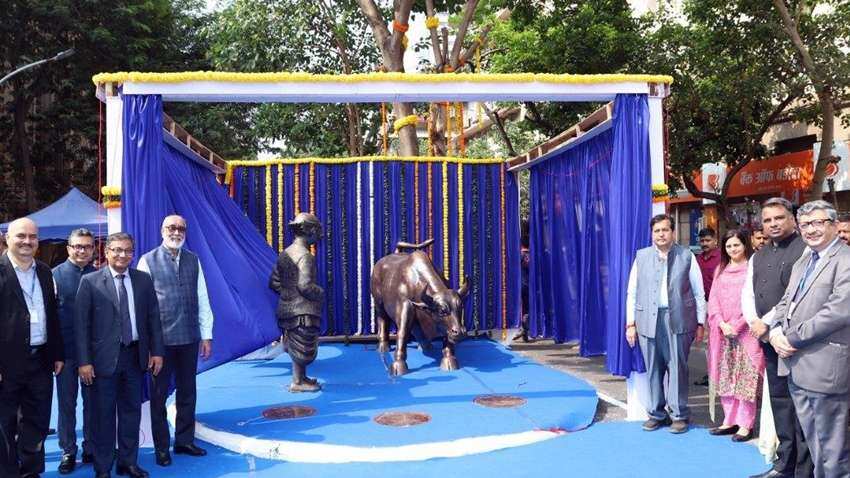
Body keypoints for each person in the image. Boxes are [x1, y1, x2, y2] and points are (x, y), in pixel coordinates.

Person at [769, 200, 850, 478]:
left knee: (833, 452)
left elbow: (838, 311)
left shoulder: (846, 260)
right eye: (805, 225)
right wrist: (775, 330)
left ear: (835, 225)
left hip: (826, 368)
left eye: (818, 223)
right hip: (797, 368)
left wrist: (791, 338)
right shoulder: (805, 260)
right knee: (817, 448)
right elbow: (785, 302)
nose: (811, 230)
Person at [75, 232, 164, 478]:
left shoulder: (143, 280)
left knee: (131, 413)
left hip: (135, 358)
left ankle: (128, 462)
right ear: (106, 252)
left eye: (127, 250)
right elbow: (81, 326)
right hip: (103, 362)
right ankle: (103, 467)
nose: (122, 255)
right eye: (117, 250)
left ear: (132, 254)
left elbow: (153, 319)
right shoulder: (91, 282)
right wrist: (84, 361)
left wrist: (157, 352)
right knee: (103, 416)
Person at [742, 197, 813, 478]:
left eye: (778, 218)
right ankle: (784, 464)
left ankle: (804, 469)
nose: (772, 224)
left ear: (792, 219)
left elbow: (793, 295)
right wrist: (754, 322)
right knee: (780, 401)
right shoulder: (759, 254)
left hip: (795, 340)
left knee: (801, 405)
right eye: (767, 220)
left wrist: (767, 323)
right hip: (767, 340)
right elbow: (748, 292)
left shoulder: (805, 250)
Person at [138, 215, 213, 467]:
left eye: (181, 228)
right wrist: (149, 345)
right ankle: (161, 448)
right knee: (158, 396)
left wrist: (207, 335)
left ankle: (184, 441)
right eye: (172, 227)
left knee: (188, 392)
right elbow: (142, 308)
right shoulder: (147, 261)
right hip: (161, 344)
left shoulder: (194, 260)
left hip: (190, 338)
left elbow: (202, 297)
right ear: (162, 230)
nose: (177, 232)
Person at [625, 214, 706, 434]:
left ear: (673, 232)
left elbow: (699, 292)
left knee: (678, 367)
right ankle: (656, 414)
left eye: (665, 230)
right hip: (647, 320)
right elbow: (632, 291)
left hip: (678, 319)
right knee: (653, 368)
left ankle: (679, 414)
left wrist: (701, 322)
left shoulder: (686, 255)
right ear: (652, 234)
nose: (661, 234)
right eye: (657, 231)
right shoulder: (641, 257)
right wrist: (630, 323)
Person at [0, 218, 64, 478]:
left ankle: (31, 472)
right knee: (4, 425)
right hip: (6, 364)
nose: (27, 241)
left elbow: (52, 315)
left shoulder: (45, 272)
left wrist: (57, 353)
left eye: (32, 237)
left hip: (40, 361)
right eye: (21, 236)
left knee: (36, 421)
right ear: (7, 238)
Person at [706, 229, 764, 442]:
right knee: (726, 378)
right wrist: (721, 323)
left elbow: (755, 300)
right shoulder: (721, 269)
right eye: (728, 246)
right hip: (722, 334)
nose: (732, 249)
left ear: (745, 245)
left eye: (736, 245)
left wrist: (737, 324)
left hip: (745, 334)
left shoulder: (752, 269)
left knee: (745, 381)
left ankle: (745, 425)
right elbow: (713, 300)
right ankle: (729, 420)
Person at [52, 229, 97, 474]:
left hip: (93, 355)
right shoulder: (54, 276)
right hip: (66, 355)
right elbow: (50, 319)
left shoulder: (100, 275)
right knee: (67, 405)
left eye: (87, 246)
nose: (82, 250)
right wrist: (55, 354)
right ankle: (68, 450)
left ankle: (91, 446)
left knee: (93, 404)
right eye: (77, 246)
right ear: (69, 247)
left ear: (93, 249)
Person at [270, 212, 325, 393]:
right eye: (317, 230)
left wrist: (287, 293)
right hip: (303, 311)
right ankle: (298, 382)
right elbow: (305, 285)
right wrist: (320, 293)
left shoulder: (285, 253)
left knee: (295, 345)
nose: (319, 235)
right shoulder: (306, 256)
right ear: (309, 230)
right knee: (302, 346)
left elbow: (273, 282)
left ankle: (299, 377)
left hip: (286, 309)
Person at [696, 227, 721, 298]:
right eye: (702, 241)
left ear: (715, 241)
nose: (704, 243)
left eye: (708, 240)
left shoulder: (722, 258)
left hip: (717, 300)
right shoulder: (698, 259)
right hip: (702, 300)